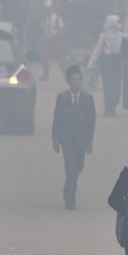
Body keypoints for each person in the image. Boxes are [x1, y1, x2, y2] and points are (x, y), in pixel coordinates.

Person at [52, 65, 96, 210]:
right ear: (68, 81)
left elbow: (91, 121)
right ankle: (70, 198)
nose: (76, 82)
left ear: (82, 81)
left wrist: (90, 141)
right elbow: (57, 118)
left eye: (79, 79)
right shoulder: (62, 98)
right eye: (73, 79)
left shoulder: (88, 99)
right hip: (66, 138)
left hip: (81, 139)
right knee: (70, 166)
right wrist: (55, 139)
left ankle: (67, 188)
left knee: (79, 165)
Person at [88, 15, 128, 117]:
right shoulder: (103, 36)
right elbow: (97, 50)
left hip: (116, 61)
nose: (118, 24)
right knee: (107, 84)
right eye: (117, 22)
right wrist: (91, 63)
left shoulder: (122, 36)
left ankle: (113, 105)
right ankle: (108, 108)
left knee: (116, 84)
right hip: (106, 61)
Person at [41, 0, 66, 81]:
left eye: (48, 8)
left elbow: (62, 30)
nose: (47, 10)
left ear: (52, 8)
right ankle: (46, 74)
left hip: (56, 40)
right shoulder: (45, 18)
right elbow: (43, 29)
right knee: (45, 57)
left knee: (60, 58)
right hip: (47, 40)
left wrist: (57, 37)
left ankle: (65, 74)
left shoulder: (57, 18)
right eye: (45, 9)